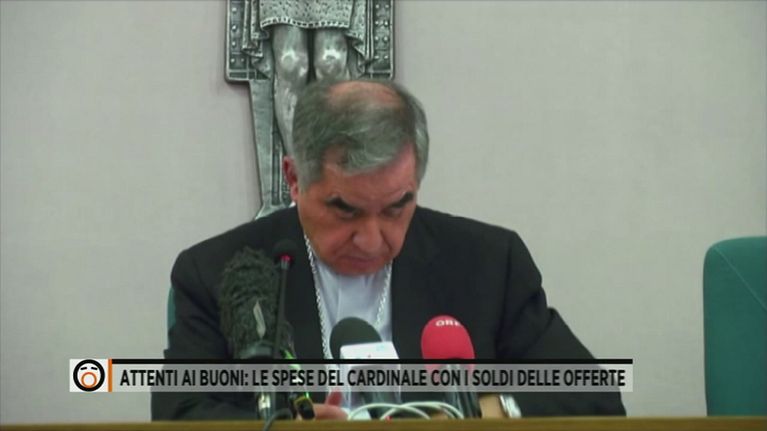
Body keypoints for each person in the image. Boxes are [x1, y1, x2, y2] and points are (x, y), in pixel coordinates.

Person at [151, 79, 626, 420]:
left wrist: (477, 414)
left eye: (397, 208)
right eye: (345, 210)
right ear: (294, 179)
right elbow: (181, 413)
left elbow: (591, 395)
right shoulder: (220, 271)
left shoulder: (487, 262)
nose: (372, 238)